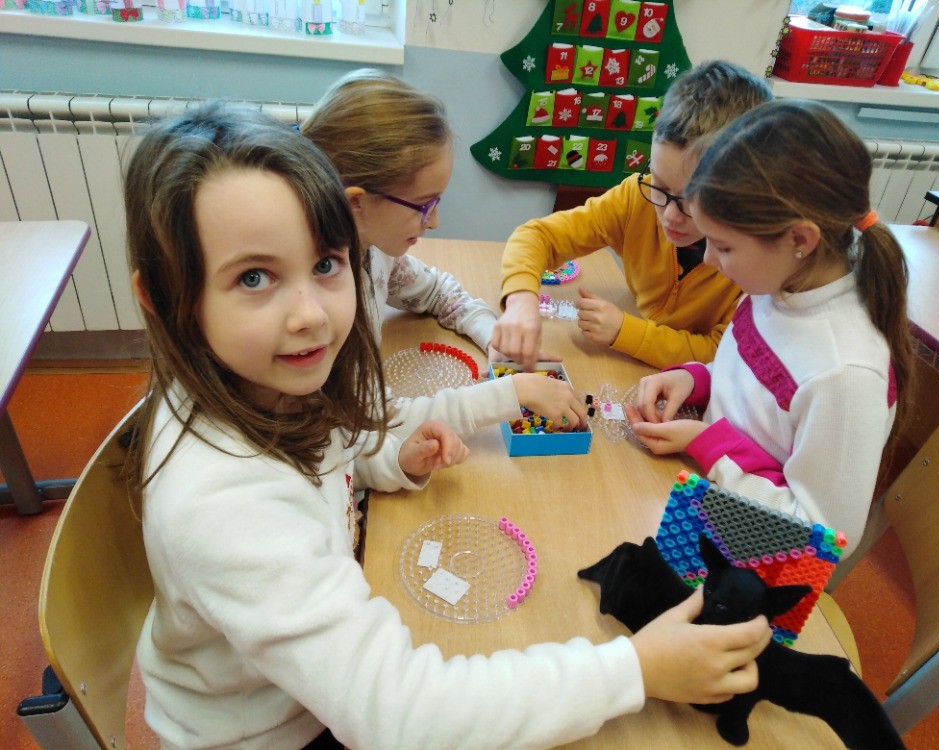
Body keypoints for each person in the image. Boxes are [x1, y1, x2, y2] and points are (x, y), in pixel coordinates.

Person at [125, 103, 772, 750]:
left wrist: (392, 458)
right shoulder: (227, 502)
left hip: (312, 686)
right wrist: (634, 670)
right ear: (161, 295)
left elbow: (339, 448)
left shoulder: (273, 384)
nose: (310, 316)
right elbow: (400, 715)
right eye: (254, 278)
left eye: (325, 265)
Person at [626, 99, 915, 558]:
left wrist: (708, 444)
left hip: (747, 562)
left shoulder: (845, 374)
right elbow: (759, 390)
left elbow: (823, 540)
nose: (708, 260)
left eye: (723, 247)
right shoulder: (779, 281)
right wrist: (698, 379)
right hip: (705, 494)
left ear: (799, 240)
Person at [302, 69, 587, 435]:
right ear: (356, 203)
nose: (435, 221)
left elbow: (439, 294)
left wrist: (493, 338)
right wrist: (508, 395)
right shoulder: (320, 303)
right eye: (424, 205)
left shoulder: (373, 249)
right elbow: (372, 422)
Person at [492, 60, 774, 372]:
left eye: (692, 201)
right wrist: (520, 300)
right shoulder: (635, 198)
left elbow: (721, 354)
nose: (669, 215)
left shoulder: (754, 259)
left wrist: (626, 332)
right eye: (660, 186)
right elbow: (537, 236)